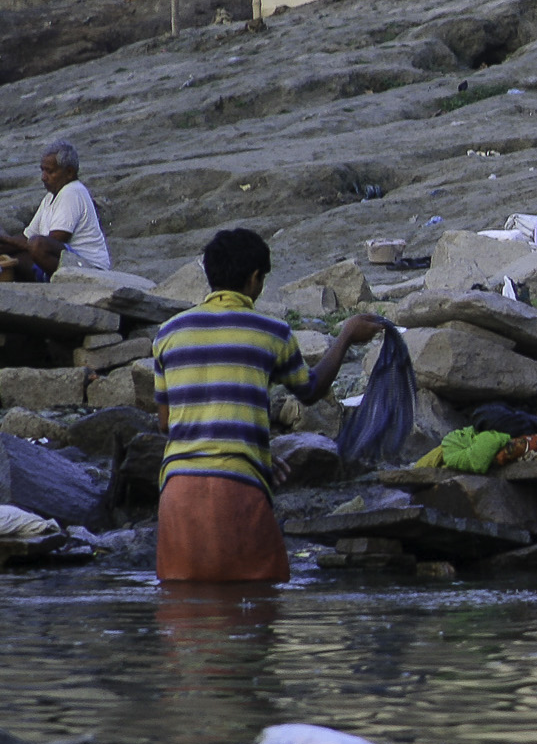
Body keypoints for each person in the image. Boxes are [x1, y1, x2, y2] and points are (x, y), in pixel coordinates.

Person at [154, 228, 383, 583]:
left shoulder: (168, 334)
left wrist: (253, 447)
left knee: (185, 619)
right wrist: (347, 334)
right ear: (254, 278)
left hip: (177, 494)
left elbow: (167, 424)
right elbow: (310, 390)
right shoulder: (272, 333)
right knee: (259, 605)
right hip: (236, 491)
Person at [0, 140, 112, 280]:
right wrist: (0, 247)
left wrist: (6, 240)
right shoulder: (49, 198)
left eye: (50, 171)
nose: (43, 177)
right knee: (8, 257)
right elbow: (27, 237)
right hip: (66, 262)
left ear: (69, 172)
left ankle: (64, 283)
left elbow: (51, 241)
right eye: (42, 170)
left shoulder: (72, 192)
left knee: (37, 245)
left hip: (89, 267)